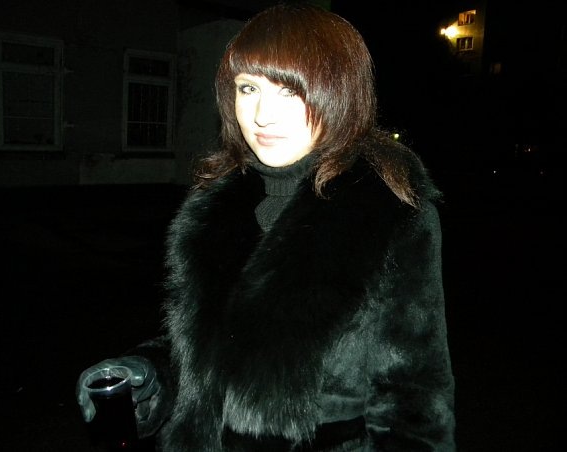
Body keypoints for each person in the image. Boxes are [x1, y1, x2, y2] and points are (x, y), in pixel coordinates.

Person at [76, 3, 456, 450]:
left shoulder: (386, 212)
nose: (261, 115)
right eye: (249, 87)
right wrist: (147, 375)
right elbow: (212, 351)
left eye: (290, 91)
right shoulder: (216, 203)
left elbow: (414, 400)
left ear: (340, 94)